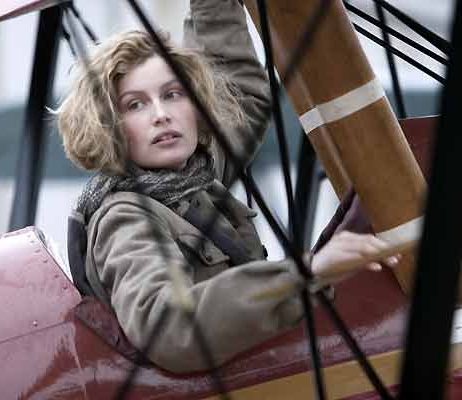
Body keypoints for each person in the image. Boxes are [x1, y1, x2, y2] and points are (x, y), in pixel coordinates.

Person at [56, 0, 398, 373]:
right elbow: (170, 330)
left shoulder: (191, 177)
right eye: (135, 104)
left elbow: (237, 91)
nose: (161, 114)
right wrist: (306, 274)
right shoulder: (125, 217)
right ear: (108, 127)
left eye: (173, 94)